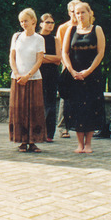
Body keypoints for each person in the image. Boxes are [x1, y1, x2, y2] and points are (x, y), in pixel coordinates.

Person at [61, 1, 106, 153]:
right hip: (75, 76)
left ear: (90, 13)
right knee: (77, 109)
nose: (80, 15)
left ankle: (88, 144)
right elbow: (65, 53)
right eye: (77, 13)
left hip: (92, 76)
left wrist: (89, 71)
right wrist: (72, 71)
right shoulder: (70, 30)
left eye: (83, 12)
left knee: (91, 109)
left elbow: (100, 53)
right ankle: (80, 144)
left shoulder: (97, 29)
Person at [8, 9, 46, 152]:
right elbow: (12, 57)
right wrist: (17, 74)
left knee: (34, 110)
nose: (23, 23)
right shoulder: (16, 37)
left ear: (33, 21)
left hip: (34, 79)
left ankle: (33, 141)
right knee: (19, 110)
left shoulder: (39, 39)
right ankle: (21, 141)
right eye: (21, 21)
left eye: (26, 20)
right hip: (17, 79)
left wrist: (28, 76)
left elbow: (39, 60)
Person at [55, 0, 81, 138]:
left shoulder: (87, 27)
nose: (76, 15)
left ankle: (81, 126)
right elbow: (60, 50)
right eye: (73, 12)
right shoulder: (63, 28)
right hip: (68, 66)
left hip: (83, 65)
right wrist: (67, 67)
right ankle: (63, 127)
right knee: (65, 97)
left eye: (78, 12)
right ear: (69, 12)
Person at [39, 13, 61, 142]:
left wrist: (43, 57)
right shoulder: (37, 38)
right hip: (38, 73)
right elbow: (35, 58)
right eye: (47, 22)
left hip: (52, 74)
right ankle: (38, 131)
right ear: (41, 24)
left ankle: (49, 133)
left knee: (51, 103)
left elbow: (58, 59)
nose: (50, 25)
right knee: (39, 102)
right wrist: (46, 58)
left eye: (52, 23)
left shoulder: (55, 39)